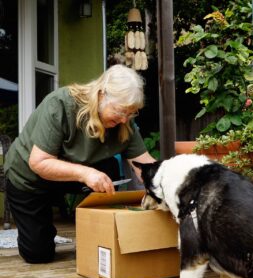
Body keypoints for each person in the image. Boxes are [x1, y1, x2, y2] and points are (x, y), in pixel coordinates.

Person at [4, 64, 156, 264]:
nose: (124, 119)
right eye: (120, 111)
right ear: (101, 95)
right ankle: (40, 227)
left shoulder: (123, 122)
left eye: (131, 113)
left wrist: (172, 183)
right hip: (29, 178)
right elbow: (39, 162)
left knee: (108, 170)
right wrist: (86, 174)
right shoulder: (60, 104)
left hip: (71, 172)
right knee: (38, 253)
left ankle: (102, 234)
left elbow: (144, 165)